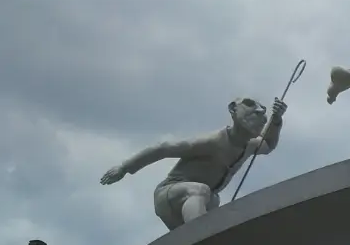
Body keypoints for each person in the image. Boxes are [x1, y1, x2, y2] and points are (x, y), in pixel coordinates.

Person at [99, 97, 286, 230]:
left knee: (213, 201)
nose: (260, 111)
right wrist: (124, 167)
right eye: (250, 105)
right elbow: (163, 148)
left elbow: (268, 144)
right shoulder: (212, 142)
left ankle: (200, 241)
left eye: (263, 110)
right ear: (233, 110)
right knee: (201, 191)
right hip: (170, 196)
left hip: (199, 203)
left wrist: (276, 121)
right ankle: (199, 240)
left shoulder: (251, 145)